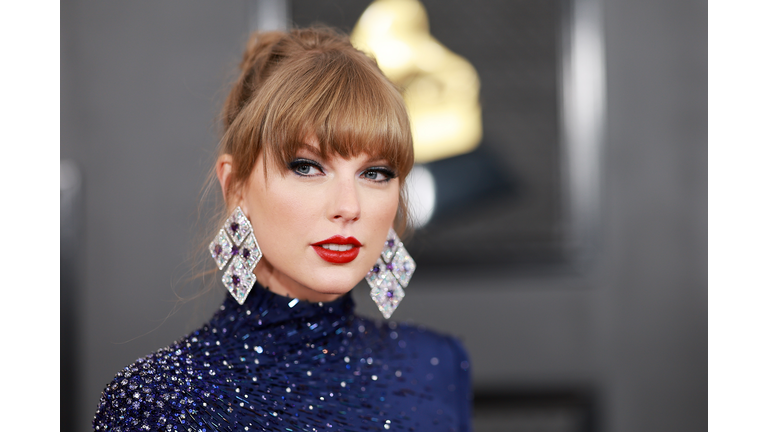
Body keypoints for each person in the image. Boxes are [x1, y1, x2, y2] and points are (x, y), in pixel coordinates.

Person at [93, 27, 471, 432]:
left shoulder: (435, 365)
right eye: (307, 167)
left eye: (375, 173)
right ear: (236, 186)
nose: (348, 207)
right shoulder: (160, 403)